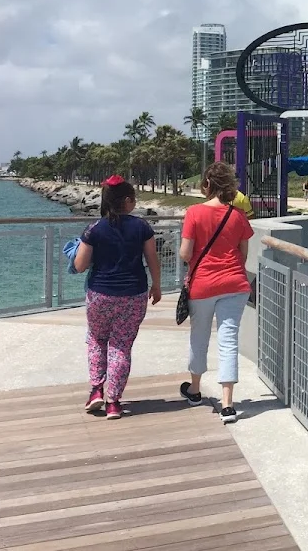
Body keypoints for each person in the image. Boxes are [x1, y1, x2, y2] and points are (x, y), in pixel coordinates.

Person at [74, 175, 162, 420]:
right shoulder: (142, 227)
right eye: (133, 199)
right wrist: (157, 286)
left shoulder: (94, 229)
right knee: (121, 346)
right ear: (126, 201)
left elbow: (80, 266)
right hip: (134, 294)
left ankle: (96, 390)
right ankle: (113, 402)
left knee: (96, 340)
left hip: (100, 295)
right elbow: (152, 259)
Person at [179, 161, 254, 424]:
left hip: (203, 285)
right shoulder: (238, 216)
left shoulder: (194, 213)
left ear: (207, 184)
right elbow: (243, 255)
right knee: (228, 340)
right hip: (235, 284)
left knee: (199, 338)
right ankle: (228, 404)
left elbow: (186, 253)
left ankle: (195, 390)